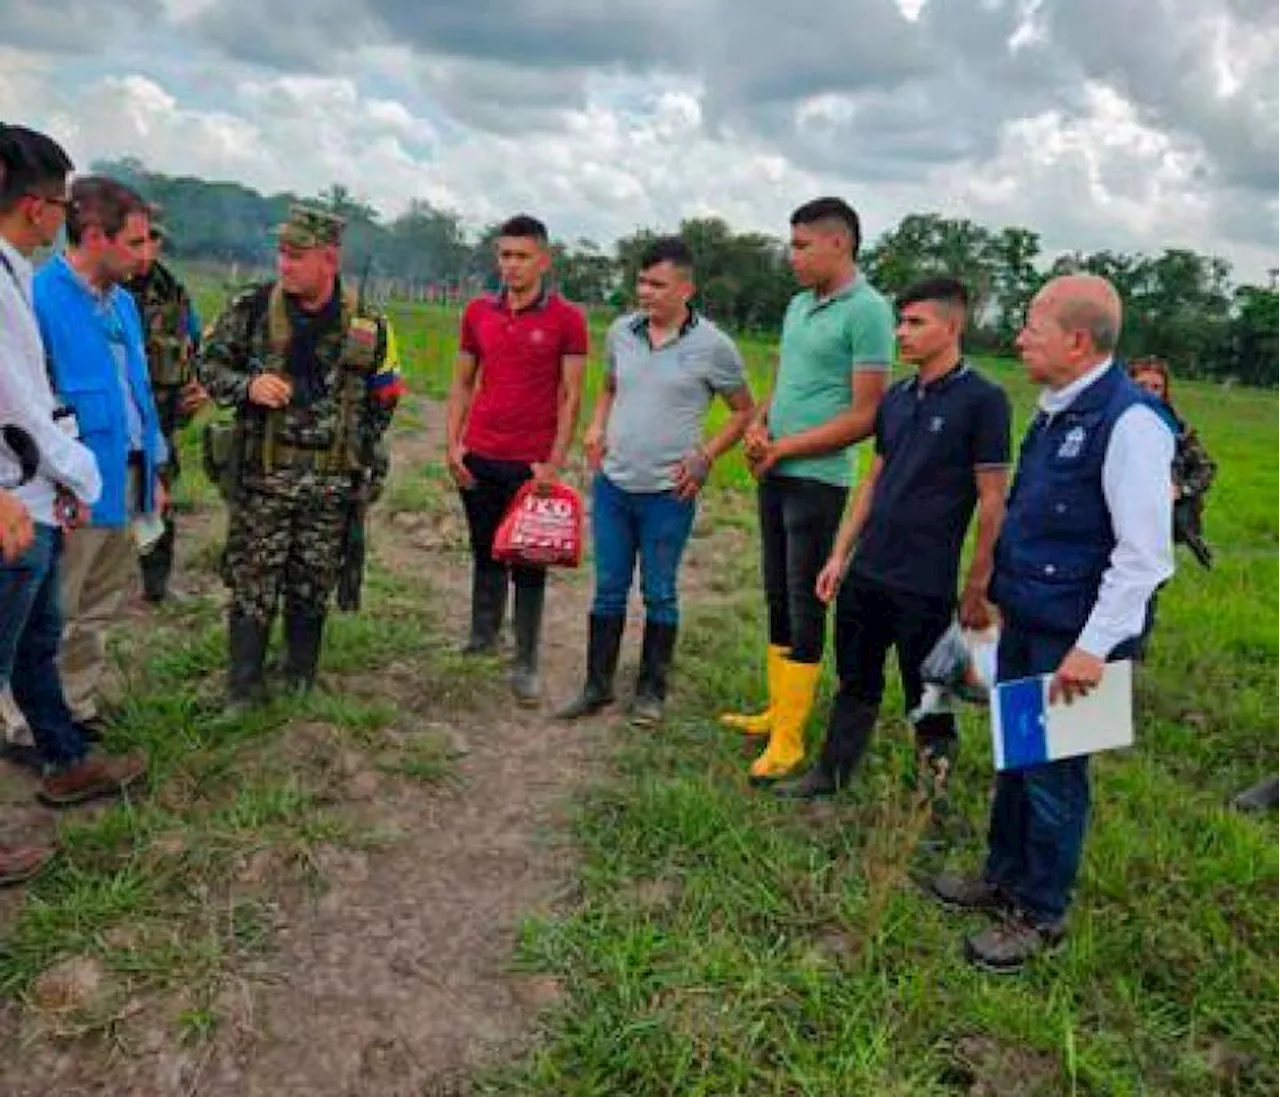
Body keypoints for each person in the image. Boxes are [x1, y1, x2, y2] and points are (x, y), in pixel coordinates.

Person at [929, 274, 1175, 973]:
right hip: (1030, 621)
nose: (1019, 335)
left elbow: (1143, 557)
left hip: (1077, 640)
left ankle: (1040, 911)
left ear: (1076, 338)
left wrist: (1093, 648)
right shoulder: (1055, 410)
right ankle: (1000, 874)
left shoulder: (1129, 423)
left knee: (1056, 774)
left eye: (1032, 322)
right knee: (1017, 754)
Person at [774, 278, 1010, 820]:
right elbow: (874, 481)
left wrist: (978, 585)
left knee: (927, 692)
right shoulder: (897, 398)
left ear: (952, 327)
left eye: (915, 322)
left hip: (925, 581)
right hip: (869, 571)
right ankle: (830, 773)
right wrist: (839, 555)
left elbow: (992, 500)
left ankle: (935, 797)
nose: (901, 332)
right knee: (855, 677)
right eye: (900, 321)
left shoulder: (984, 401)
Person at [197, 204, 404, 705]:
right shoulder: (250, 308)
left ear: (328, 259)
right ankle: (243, 692)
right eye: (281, 254)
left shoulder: (369, 325)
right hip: (263, 478)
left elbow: (386, 395)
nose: (284, 264)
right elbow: (207, 365)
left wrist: (356, 460)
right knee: (253, 583)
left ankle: (299, 682)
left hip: (330, 488)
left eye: (297, 255)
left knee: (312, 585)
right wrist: (248, 386)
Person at [721, 197, 893, 784]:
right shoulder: (798, 306)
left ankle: (791, 739)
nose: (790, 256)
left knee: (804, 599)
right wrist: (759, 425)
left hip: (818, 480)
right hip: (777, 468)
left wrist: (787, 448)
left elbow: (867, 415)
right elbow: (787, 383)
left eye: (801, 246)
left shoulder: (869, 312)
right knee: (775, 592)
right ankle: (778, 710)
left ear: (838, 244)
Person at [0, 125, 145, 811]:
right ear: (38, 207)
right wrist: (80, 472)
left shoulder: (15, 276)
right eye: (61, 203)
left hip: (38, 493)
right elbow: (23, 405)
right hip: (15, 504)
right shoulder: (17, 287)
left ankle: (64, 756)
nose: (63, 216)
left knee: (39, 643)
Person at [557, 237, 754, 726]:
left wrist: (706, 456)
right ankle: (597, 686)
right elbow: (608, 388)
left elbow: (744, 411)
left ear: (686, 289)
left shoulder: (714, 347)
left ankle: (651, 692)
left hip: (669, 494)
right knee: (607, 589)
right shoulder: (623, 332)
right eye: (641, 282)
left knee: (660, 592)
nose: (645, 292)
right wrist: (598, 424)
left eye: (657, 284)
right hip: (613, 487)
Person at [33, 175, 168, 741]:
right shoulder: (40, 299)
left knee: (97, 604)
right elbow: (29, 408)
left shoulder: (124, 306)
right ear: (94, 236)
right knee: (50, 611)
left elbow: (139, 394)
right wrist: (53, 489)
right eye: (133, 243)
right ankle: (27, 725)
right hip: (69, 489)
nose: (145, 256)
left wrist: (155, 471)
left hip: (126, 476)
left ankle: (78, 705)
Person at [445, 214, 588, 705]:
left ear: (543, 260)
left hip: (531, 466)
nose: (512, 265)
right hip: (479, 453)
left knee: (529, 559)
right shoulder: (478, 312)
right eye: (505, 255)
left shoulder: (567, 319)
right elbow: (463, 382)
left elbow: (571, 395)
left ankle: (526, 660)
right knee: (484, 551)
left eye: (522, 256)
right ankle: (483, 636)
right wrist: (453, 444)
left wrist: (554, 462)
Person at [125, 215, 208, 603]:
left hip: (159, 420)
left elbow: (195, 346)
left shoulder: (174, 293)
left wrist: (199, 385)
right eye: (137, 240)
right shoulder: (102, 284)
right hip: (106, 418)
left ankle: (155, 587)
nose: (144, 250)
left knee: (157, 500)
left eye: (152, 239)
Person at [1127, 356, 1216, 570]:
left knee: (1148, 579)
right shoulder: (1110, 421)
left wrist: (1182, 489)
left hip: (1160, 518)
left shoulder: (1176, 427)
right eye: (1141, 386)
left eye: (1156, 387)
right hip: (1118, 514)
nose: (1149, 392)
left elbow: (1206, 467)